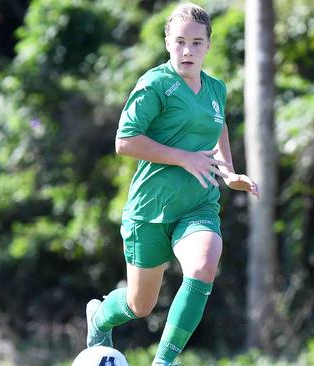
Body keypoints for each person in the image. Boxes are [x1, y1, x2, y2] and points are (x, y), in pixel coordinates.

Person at [85, 3, 259, 366]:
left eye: (196, 43)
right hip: (150, 208)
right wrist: (183, 156)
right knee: (139, 304)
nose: (187, 51)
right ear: (167, 42)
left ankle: (163, 361)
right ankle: (100, 317)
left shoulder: (216, 89)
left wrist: (228, 172)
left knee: (203, 265)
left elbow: (219, 126)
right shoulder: (155, 84)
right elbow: (125, 141)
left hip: (198, 204)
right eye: (180, 42)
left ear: (208, 46)